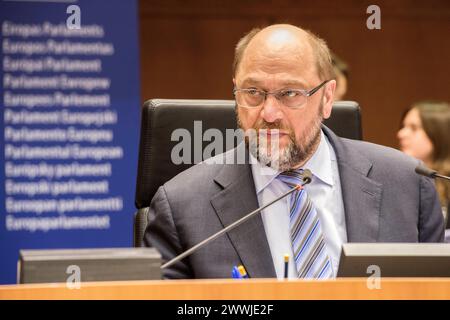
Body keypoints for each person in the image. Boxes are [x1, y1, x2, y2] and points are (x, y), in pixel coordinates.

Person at [144, 24, 444, 279]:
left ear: (327, 98)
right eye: (253, 92)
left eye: (290, 93)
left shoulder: (407, 184)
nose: (270, 112)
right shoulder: (182, 207)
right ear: (235, 93)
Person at [397, 101, 450, 233]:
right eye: (403, 126)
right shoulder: (396, 178)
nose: (401, 134)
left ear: (438, 133)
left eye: (414, 128)